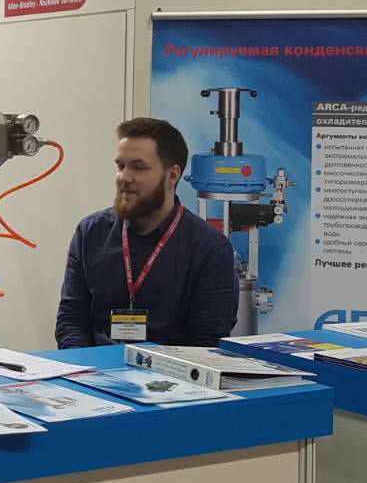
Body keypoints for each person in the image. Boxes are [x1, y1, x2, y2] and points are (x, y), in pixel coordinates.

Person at [56, 118, 238, 348]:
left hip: (173, 368)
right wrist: (80, 365)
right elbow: (71, 319)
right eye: (121, 166)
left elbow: (207, 341)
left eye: (138, 167)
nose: (124, 177)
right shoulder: (90, 233)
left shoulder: (209, 248)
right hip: (94, 365)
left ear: (172, 175)